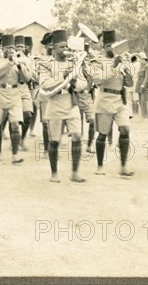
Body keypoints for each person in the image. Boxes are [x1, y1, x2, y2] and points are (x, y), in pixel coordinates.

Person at [38, 29, 87, 183]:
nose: (65, 50)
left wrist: (74, 82)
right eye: (61, 47)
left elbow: (84, 83)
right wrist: (63, 77)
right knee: (54, 141)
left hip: (71, 103)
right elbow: (45, 85)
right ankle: (54, 173)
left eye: (66, 47)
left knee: (77, 136)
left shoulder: (74, 63)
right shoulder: (46, 64)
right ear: (53, 48)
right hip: (55, 103)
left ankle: (75, 173)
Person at [90, 30, 135, 176]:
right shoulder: (97, 60)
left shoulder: (122, 59)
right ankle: (100, 166)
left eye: (113, 45)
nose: (111, 48)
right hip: (104, 99)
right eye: (108, 45)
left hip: (120, 100)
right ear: (103, 47)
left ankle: (123, 166)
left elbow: (129, 83)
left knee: (125, 130)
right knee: (102, 134)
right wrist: (113, 66)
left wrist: (127, 71)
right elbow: (97, 80)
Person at [0, 34, 31, 164]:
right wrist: (10, 62)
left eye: (12, 47)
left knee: (15, 125)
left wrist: (19, 66)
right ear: (3, 49)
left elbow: (27, 79)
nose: (11, 50)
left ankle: (15, 155)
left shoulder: (20, 61)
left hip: (15, 93)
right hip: (1, 93)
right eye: (8, 47)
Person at [14, 35, 34, 151]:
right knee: (14, 118)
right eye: (17, 47)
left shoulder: (28, 60)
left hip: (24, 87)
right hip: (13, 89)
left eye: (21, 46)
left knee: (28, 115)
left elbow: (29, 77)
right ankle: (15, 140)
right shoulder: (9, 58)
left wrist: (21, 65)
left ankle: (22, 139)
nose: (19, 49)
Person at [135, 52, 148, 120]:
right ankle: (142, 116)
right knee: (140, 100)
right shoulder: (141, 66)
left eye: (141, 59)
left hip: (144, 84)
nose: (140, 60)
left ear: (144, 59)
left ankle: (145, 116)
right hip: (139, 83)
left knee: (143, 101)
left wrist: (144, 84)